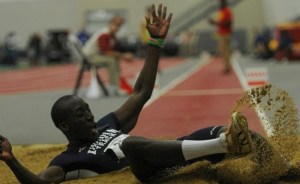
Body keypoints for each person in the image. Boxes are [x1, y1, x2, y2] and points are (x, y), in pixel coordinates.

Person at [0, 4, 284, 184]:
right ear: (64, 126)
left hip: (168, 155)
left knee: (228, 130)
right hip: (147, 172)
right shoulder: (66, 161)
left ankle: (283, 168)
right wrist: (12, 160)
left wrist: (156, 42)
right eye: (80, 113)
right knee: (133, 145)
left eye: (87, 108)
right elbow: (39, 183)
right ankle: (225, 144)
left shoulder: (107, 125)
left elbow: (141, 91)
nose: (89, 114)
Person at [83, 15, 133, 96]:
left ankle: (117, 84)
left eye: (119, 26)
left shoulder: (112, 35)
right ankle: (114, 88)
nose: (117, 28)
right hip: (90, 56)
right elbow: (107, 52)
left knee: (114, 59)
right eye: (116, 25)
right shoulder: (104, 34)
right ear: (110, 24)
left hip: (96, 55)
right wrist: (124, 56)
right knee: (111, 61)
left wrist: (123, 55)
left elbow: (114, 50)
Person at [208, 0, 233, 74]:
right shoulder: (221, 12)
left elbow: (228, 23)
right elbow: (220, 23)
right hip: (221, 33)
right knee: (223, 51)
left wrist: (215, 23)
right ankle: (227, 66)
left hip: (225, 34)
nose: (219, 4)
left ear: (224, 2)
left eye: (221, 2)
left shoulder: (227, 11)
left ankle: (227, 67)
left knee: (225, 50)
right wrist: (214, 23)